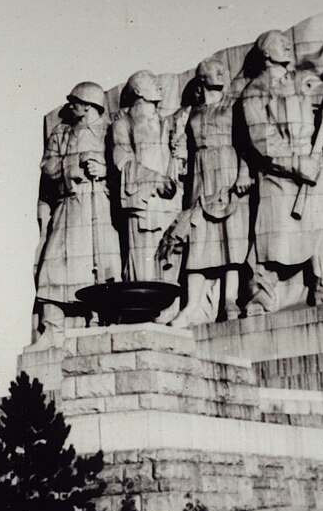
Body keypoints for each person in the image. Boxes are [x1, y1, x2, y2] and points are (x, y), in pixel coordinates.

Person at [239, 30, 323, 314]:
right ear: (265, 53)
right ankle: (260, 295)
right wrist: (296, 164)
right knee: (274, 242)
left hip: (313, 170)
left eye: (288, 43)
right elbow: (260, 139)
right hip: (280, 175)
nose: (287, 47)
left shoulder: (302, 81)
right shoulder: (255, 90)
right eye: (280, 44)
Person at [32, 81, 121, 348]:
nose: (71, 106)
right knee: (53, 264)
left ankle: (102, 320)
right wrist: (72, 167)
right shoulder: (61, 133)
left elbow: (125, 162)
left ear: (89, 106)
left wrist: (103, 169)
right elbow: (47, 167)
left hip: (100, 205)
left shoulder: (109, 130)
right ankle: (52, 327)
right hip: (69, 205)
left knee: (104, 267)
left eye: (76, 102)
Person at [169, 57, 252, 326]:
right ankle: (192, 305)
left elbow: (246, 143)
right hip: (200, 175)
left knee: (232, 238)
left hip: (228, 169)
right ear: (201, 79)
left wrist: (243, 173)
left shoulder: (234, 106)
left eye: (223, 69)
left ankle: (229, 299)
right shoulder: (189, 112)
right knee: (199, 239)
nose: (221, 72)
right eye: (213, 70)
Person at [111, 70, 184, 283]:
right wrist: (154, 179)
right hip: (144, 200)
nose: (159, 86)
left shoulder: (167, 123)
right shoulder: (124, 123)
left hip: (170, 200)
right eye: (152, 83)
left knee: (170, 254)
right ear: (137, 91)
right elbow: (122, 160)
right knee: (143, 263)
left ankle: (168, 309)